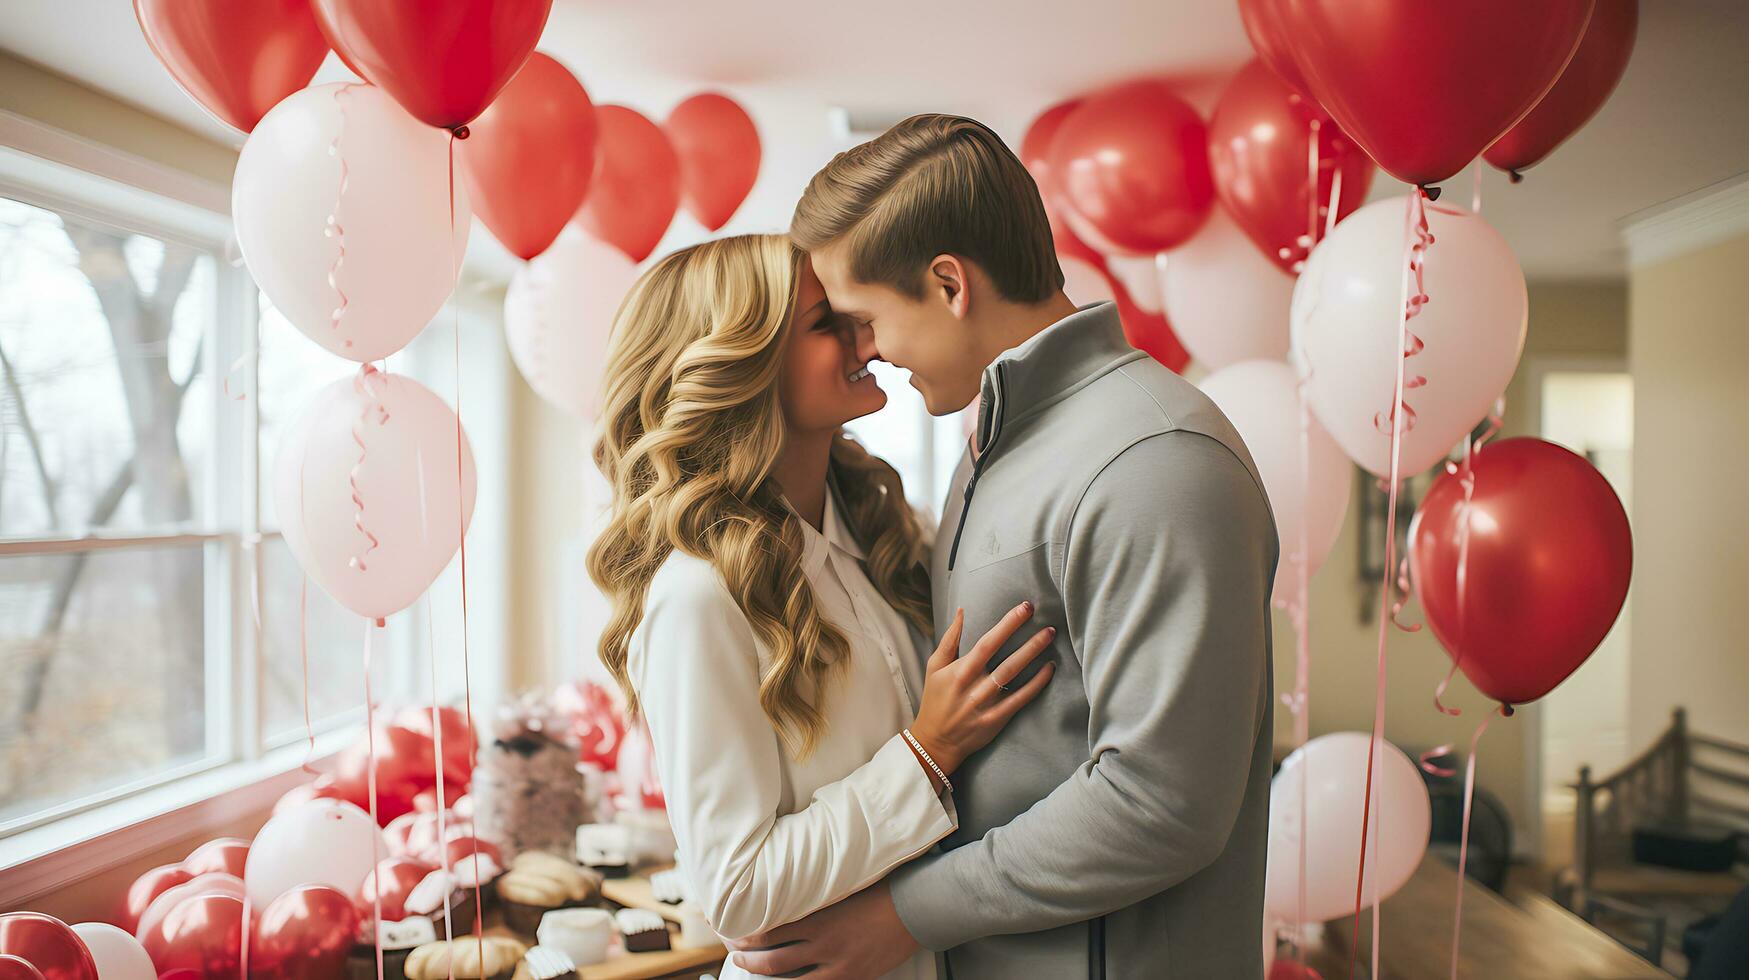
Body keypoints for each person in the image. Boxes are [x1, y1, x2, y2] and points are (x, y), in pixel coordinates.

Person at [728, 114, 1280, 979]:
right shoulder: (992, 447)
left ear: (949, 284)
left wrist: (906, 917)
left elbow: (1163, 802)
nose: (865, 352)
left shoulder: (1154, 461)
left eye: (865, 318)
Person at [586, 233, 1055, 980]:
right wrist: (926, 752)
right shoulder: (698, 597)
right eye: (823, 322)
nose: (864, 335)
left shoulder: (884, 536)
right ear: (742, 363)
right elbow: (735, 892)